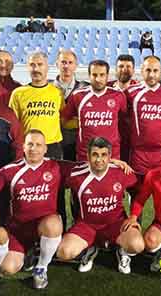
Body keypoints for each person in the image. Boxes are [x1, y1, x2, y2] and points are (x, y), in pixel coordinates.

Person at [56, 137, 144, 274]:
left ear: (110, 156)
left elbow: (141, 192)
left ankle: (121, 250)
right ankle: (90, 248)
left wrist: (133, 216)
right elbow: (52, 170)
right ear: (88, 156)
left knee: (137, 245)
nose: (99, 159)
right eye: (95, 155)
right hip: (86, 225)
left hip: (116, 224)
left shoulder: (121, 171)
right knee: (64, 253)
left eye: (104, 155)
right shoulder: (75, 173)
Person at [0, 130, 64, 289]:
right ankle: (30, 253)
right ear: (23, 147)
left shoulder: (56, 166)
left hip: (44, 227)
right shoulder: (10, 170)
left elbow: (86, 168)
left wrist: (114, 162)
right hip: (18, 230)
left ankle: (41, 268)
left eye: (38, 145)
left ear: (45, 149)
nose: (34, 149)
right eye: (30, 144)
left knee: (54, 223)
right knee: (8, 268)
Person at [50, 49, 89, 228]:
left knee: (78, 188)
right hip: (54, 144)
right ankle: (60, 226)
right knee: (55, 189)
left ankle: (78, 226)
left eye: (70, 62)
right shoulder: (47, 88)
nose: (66, 66)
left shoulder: (85, 87)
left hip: (78, 144)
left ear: (76, 65)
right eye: (63, 62)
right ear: (57, 64)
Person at [61, 59, 127, 162]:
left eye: (102, 75)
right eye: (94, 75)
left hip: (112, 155)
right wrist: (80, 124)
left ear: (107, 75)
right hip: (85, 155)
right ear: (89, 75)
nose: (98, 79)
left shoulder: (118, 95)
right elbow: (64, 120)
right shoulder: (78, 95)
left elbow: (124, 120)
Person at [125, 56, 161, 181]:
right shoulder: (131, 93)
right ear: (142, 70)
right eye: (148, 70)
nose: (152, 75)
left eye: (155, 71)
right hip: (138, 154)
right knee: (136, 194)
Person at [9, 52, 64, 159]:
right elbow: (13, 124)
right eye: (32, 65)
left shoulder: (57, 93)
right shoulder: (18, 93)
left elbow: (63, 118)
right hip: (29, 146)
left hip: (52, 146)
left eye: (40, 64)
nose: (36, 69)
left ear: (47, 67)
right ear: (28, 67)